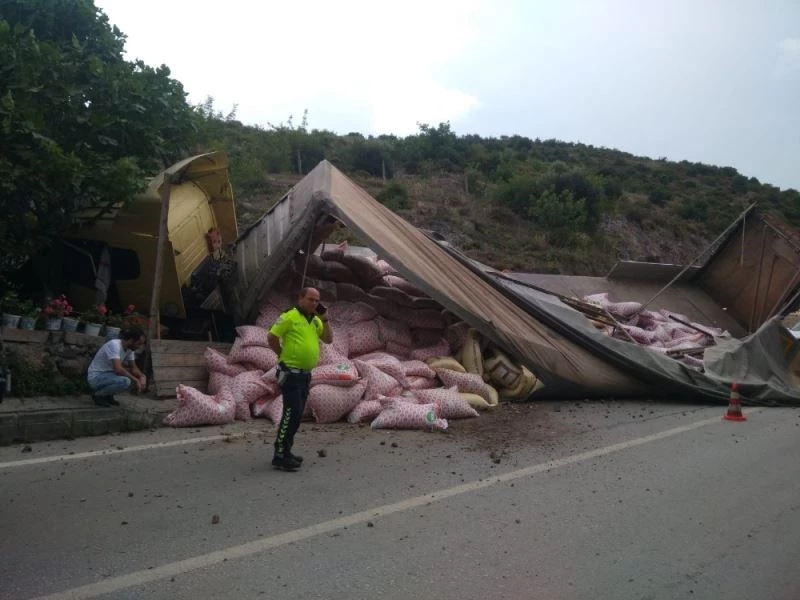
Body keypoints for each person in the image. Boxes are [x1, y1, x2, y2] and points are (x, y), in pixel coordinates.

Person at [267, 287, 333, 471]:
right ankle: (279, 455)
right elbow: (271, 337)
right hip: (290, 374)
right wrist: (282, 355)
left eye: (317, 300)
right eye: (311, 299)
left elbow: (328, 339)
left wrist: (325, 318)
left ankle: (286, 452)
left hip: (305, 375)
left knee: (296, 416)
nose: (314, 303)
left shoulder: (315, 321)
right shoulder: (290, 316)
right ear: (300, 298)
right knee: (291, 413)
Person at [86, 326, 147, 406]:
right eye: (138, 343)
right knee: (125, 381)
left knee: (128, 378)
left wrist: (142, 376)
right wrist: (136, 380)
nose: (139, 346)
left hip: (108, 376)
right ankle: (99, 395)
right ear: (131, 340)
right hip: (96, 378)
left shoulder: (130, 349)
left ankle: (108, 395)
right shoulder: (114, 345)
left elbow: (133, 367)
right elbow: (118, 369)